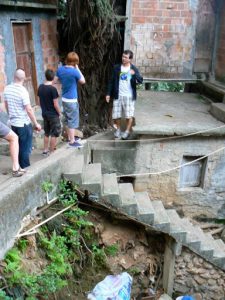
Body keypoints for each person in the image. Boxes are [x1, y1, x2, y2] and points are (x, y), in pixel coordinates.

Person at [3, 68, 41, 169]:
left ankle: (18, 165)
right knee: (25, 148)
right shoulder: (23, 91)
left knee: (16, 145)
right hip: (23, 124)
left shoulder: (7, 89)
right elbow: (28, 109)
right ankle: (25, 168)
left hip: (13, 123)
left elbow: (6, 105)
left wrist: (10, 115)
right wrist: (36, 123)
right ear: (23, 79)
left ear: (14, 76)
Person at [106, 49, 143, 140]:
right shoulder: (117, 68)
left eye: (126, 57)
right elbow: (111, 81)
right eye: (123, 57)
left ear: (130, 59)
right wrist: (108, 94)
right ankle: (118, 130)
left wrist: (134, 74)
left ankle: (127, 131)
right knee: (116, 115)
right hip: (118, 95)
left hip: (129, 96)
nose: (123, 59)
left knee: (128, 115)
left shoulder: (133, 69)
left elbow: (140, 80)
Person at [56, 52, 85, 148]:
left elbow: (56, 80)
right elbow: (83, 81)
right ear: (76, 62)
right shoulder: (75, 72)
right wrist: (78, 69)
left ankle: (70, 137)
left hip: (64, 99)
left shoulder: (60, 70)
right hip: (72, 100)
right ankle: (72, 141)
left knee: (67, 120)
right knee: (72, 121)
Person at [37, 69, 61, 156]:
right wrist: (60, 113)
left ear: (46, 76)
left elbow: (39, 102)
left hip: (45, 114)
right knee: (54, 133)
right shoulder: (53, 89)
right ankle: (52, 152)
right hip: (53, 115)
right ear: (53, 77)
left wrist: (44, 109)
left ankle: (45, 150)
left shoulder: (40, 87)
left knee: (46, 132)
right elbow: (55, 104)